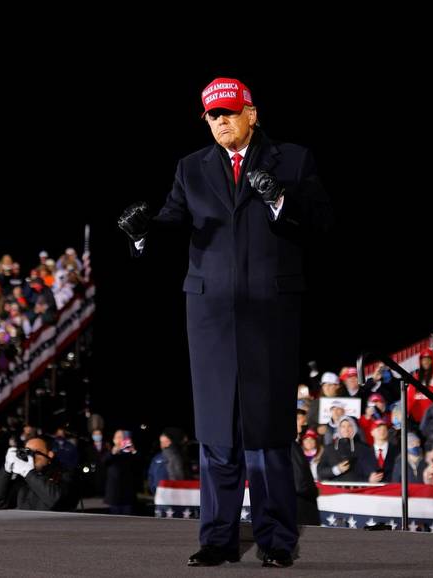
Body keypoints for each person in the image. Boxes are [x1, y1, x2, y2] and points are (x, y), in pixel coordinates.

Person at [118, 77, 332, 568]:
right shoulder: (191, 168)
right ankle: (218, 540)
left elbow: (323, 221)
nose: (221, 122)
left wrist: (280, 199)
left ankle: (277, 542)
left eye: (230, 113)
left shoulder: (293, 160)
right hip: (210, 316)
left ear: (252, 113)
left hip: (270, 315)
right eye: (213, 116)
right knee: (216, 432)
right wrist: (142, 232)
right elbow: (173, 220)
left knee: (267, 433)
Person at [0, 436, 78, 511]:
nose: (31, 456)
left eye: (37, 452)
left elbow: (56, 501)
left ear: (50, 454)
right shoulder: (23, 478)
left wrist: (29, 473)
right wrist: (6, 469)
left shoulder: (64, 474)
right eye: (28, 452)